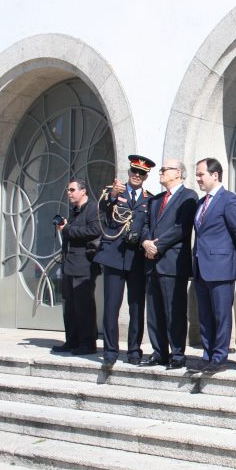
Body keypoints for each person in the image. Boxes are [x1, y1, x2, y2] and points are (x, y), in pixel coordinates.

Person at [93, 155, 155, 367]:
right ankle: (110, 351)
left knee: (137, 306)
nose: (137, 176)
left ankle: (134, 351)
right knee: (111, 306)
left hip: (137, 258)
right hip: (114, 255)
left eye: (142, 173)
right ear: (128, 173)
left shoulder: (150, 198)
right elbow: (101, 212)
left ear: (146, 176)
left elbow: (149, 225)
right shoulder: (113, 192)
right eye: (133, 172)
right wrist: (111, 195)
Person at [190, 158, 236, 373]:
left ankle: (219, 357)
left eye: (201, 174)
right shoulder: (200, 203)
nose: (197, 179)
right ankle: (207, 354)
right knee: (205, 315)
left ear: (215, 175)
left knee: (221, 314)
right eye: (197, 175)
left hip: (222, 266)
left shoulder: (229, 200)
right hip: (201, 266)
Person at [139, 159, 198, 370]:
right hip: (151, 262)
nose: (161, 172)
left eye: (165, 170)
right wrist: (146, 242)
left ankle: (178, 354)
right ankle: (159, 352)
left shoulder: (189, 197)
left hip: (172, 263)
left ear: (178, 173)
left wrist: (158, 245)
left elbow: (181, 228)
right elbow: (145, 224)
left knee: (174, 311)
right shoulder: (156, 200)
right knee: (154, 311)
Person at [52, 178, 102, 355]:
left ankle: (87, 343)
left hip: (85, 264)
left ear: (83, 191)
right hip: (69, 263)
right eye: (68, 190)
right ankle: (72, 340)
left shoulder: (93, 208)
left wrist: (67, 230)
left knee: (84, 305)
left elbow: (95, 231)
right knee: (69, 305)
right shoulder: (74, 211)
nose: (69, 193)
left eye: (72, 190)